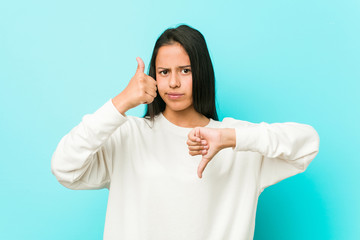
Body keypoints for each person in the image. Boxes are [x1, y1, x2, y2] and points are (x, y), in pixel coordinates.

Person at [51, 24, 320, 240]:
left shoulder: (235, 141)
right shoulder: (129, 135)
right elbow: (64, 167)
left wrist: (229, 138)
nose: (174, 82)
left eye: (186, 70)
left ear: (202, 73)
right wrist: (121, 102)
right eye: (164, 72)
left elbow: (307, 144)